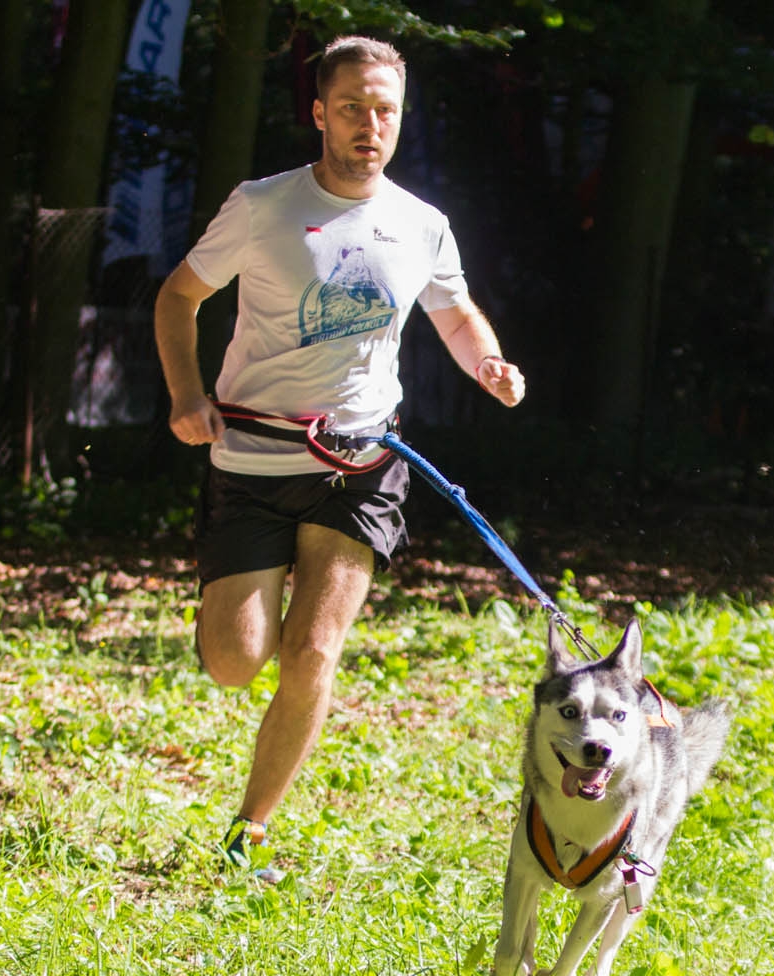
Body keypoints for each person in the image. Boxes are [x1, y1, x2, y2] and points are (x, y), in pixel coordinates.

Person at [154, 35, 526, 872]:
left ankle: (250, 830)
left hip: (359, 467)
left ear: (401, 117)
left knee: (314, 650)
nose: (370, 124)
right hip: (253, 460)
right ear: (320, 113)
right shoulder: (262, 205)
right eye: (353, 107)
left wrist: (489, 365)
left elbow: (456, 316)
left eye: (385, 109)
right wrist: (186, 396)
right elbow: (178, 296)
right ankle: (230, 612)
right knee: (235, 661)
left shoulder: (422, 224)